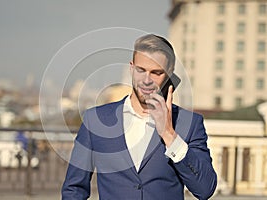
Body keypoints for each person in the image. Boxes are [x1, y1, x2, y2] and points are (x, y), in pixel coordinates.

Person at [61, 34, 217, 200]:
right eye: (141, 70)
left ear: (169, 74)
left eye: (156, 73)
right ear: (131, 68)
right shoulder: (96, 120)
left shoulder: (189, 123)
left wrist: (169, 135)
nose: (146, 80)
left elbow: (205, 189)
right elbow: (74, 189)